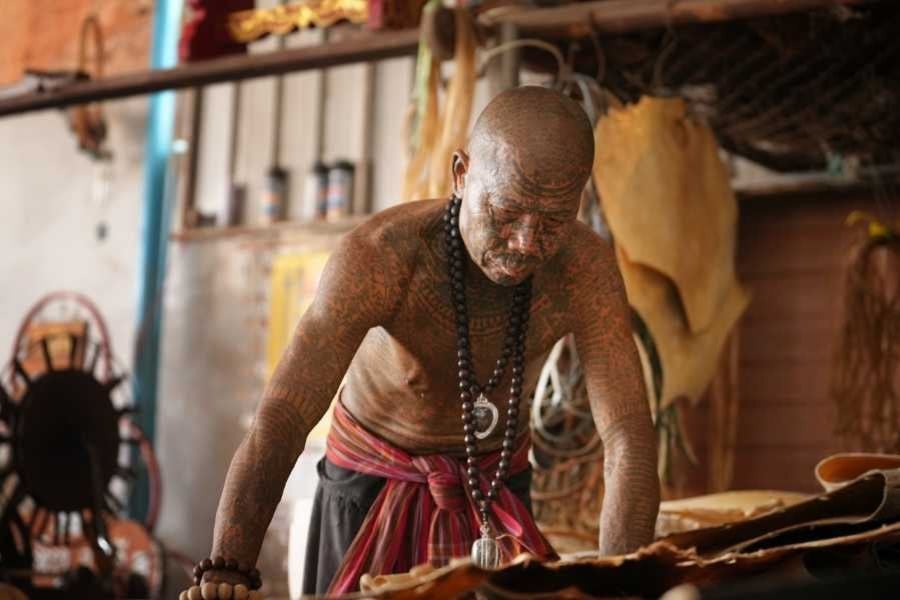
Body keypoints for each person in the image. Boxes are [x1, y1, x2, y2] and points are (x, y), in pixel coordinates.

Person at [181, 86, 659, 599]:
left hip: (497, 486)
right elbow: (284, 416)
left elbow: (627, 433)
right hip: (369, 487)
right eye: (506, 213)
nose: (525, 243)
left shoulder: (584, 270)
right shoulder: (382, 257)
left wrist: (620, 584)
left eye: (553, 222)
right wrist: (228, 566)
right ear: (461, 174)